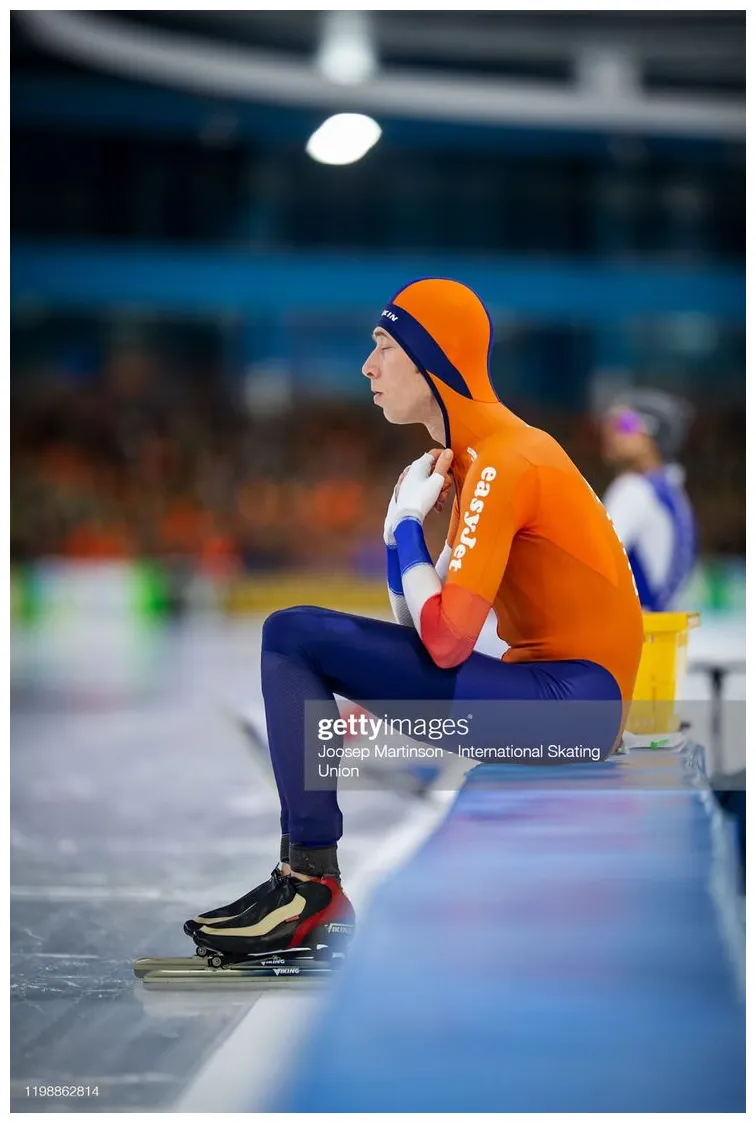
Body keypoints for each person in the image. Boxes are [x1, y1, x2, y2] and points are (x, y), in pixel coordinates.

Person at [186, 278, 644, 963]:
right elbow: (422, 630)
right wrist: (406, 539)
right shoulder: (474, 464)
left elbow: (446, 640)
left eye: (382, 347)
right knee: (300, 634)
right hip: (567, 701)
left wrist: (404, 533)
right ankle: (303, 879)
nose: (367, 367)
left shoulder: (505, 461)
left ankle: (308, 885)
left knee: (292, 632)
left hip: (573, 708)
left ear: (435, 360)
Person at [601, 389, 698, 612]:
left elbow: (593, 561)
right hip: (660, 633)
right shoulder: (674, 492)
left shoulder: (634, 489)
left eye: (625, 425)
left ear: (652, 434)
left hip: (635, 635)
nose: (611, 432)